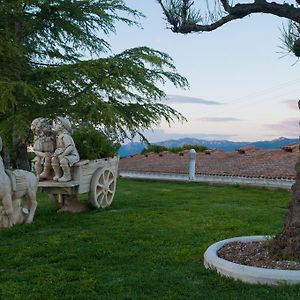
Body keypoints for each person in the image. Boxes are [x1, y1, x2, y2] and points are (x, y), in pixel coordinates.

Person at [52, 116, 80, 182]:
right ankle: (58, 174)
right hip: (65, 155)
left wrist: (63, 154)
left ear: (62, 127)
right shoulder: (58, 136)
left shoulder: (65, 136)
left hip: (72, 155)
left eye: (57, 124)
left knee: (63, 161)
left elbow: (70, 147)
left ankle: (67, 176)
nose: (55, 125)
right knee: (54, 159)